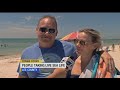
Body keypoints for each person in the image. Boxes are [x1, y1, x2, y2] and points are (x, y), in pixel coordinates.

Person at [17, 15, 115, 78]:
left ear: (56, 33)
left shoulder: (69, 48)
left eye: (51, 30)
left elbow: (87, 55)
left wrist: (102, 53)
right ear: (36, 30)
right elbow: (23, 76)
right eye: (43, 29)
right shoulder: (27, 53)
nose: (46, 33)